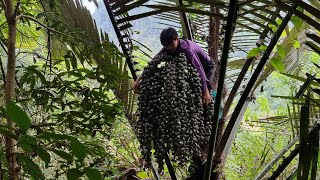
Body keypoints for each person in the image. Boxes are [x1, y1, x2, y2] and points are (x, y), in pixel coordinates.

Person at [133, 27, 215, 105]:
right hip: (194, 67)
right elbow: (153, 62)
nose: (169, 48)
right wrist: (138, 80)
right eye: (166, 46)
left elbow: (199, 69)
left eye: (171, 44)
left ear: (177, 39)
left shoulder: (187, 49)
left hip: (207, 67)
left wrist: (205, 92)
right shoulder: (167, 47)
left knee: (203, 94)